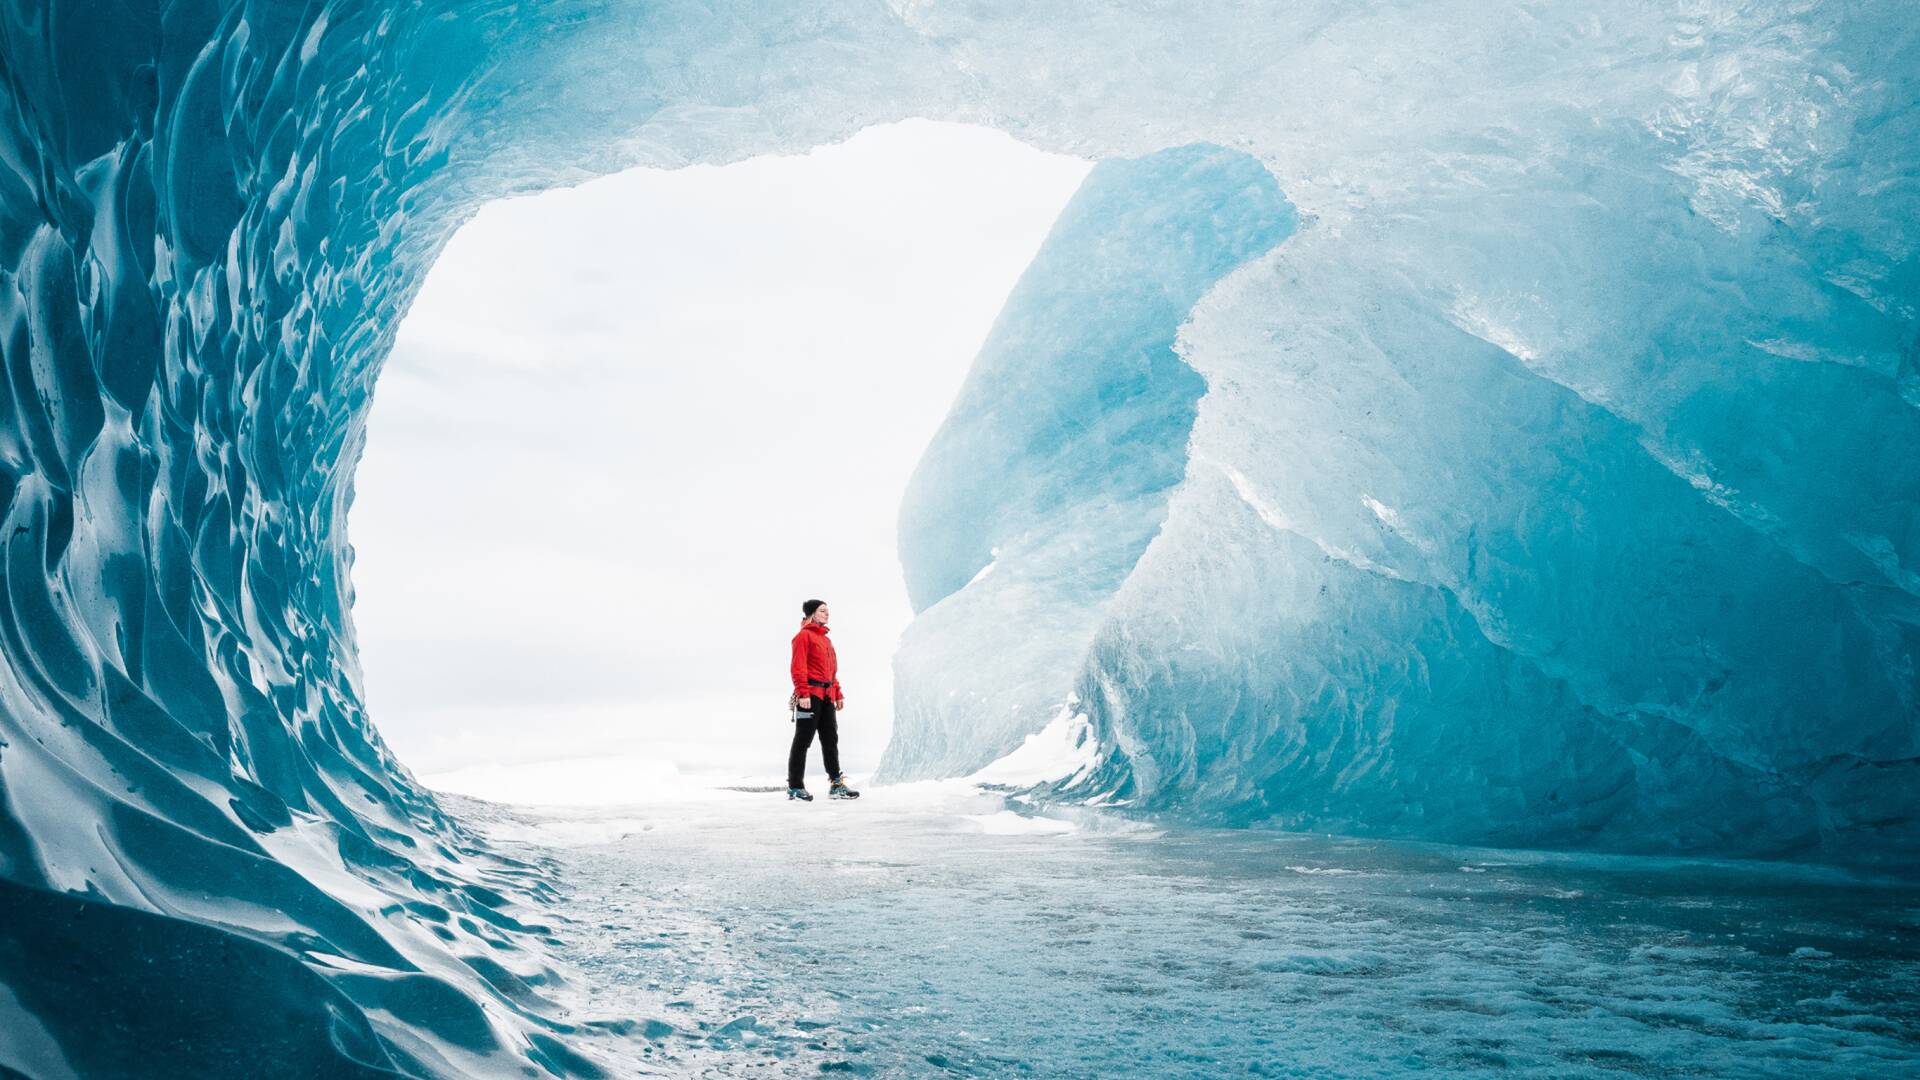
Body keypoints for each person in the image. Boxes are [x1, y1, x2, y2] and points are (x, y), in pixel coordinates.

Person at [788, 599, 859, 801]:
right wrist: (803, 694)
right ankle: (795, 787)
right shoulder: (803, 637)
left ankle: (836, 784)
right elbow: (798, 668)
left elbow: (831, 672)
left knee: (830, 740)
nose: (827, 614)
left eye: (828, 611)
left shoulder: (826, 640)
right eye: (822, 611)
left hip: (827, 696)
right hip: (809, 697)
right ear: (811, 613)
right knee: (803, 740)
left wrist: (838, 693)